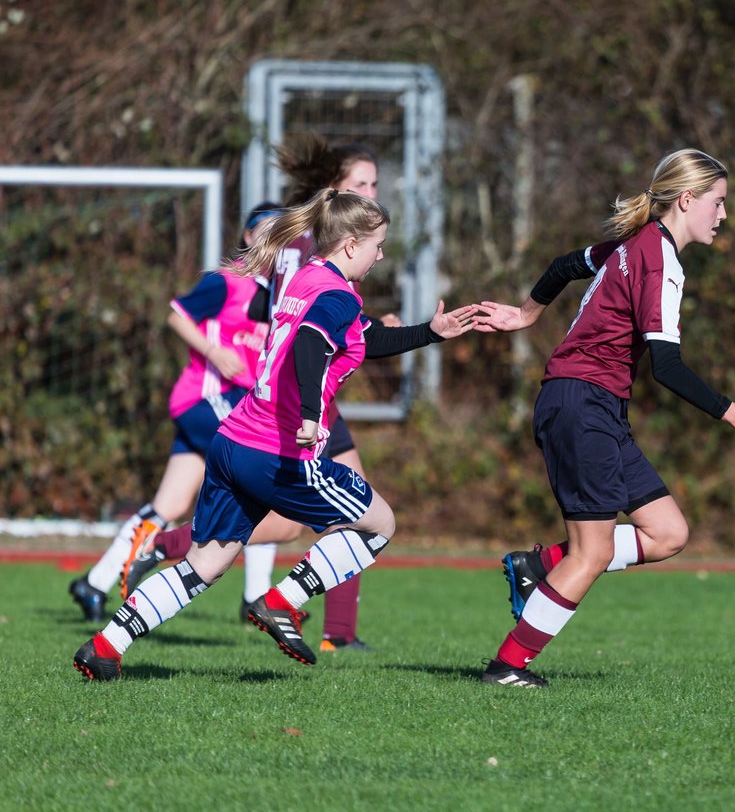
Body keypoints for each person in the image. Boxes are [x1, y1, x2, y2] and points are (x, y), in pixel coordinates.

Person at [73, 188, 478, 680]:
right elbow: (311, 343)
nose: (381, 254)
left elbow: (365, 338)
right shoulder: (335, 295)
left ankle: (105, 646)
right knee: (380, 524)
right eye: (379, 244)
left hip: (232, 440)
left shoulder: (306, 279)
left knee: (205, 564)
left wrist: (429, 332)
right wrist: (310, 415)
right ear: (351, 244)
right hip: (275, 449)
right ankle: (282, 601)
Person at [472, 148, 735, 687]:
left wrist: (528, 314)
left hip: (593, 404)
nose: (722, 215)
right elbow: (666, 366)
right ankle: (507, 667)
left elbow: (564, 266)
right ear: (687, 199)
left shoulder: (631, 244)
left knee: (667, 532)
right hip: (582, 404)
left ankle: (540, 564)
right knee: (593, 553)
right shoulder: (660, 259)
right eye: (717, 203)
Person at [124, 136, 385, 652]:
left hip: (299, 387)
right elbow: (304, 327)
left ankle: (326, 625)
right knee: (358, 512)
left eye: (374, 184)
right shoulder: (320, 242)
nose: (372, 191)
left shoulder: (303, 238)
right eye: (362, 183)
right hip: (303, 395)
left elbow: (277, 315)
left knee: (297, 525)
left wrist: (375, 331)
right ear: (337, 190)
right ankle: (325, 626)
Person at [68, 202, 285, 623]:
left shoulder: (279, 295)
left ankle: (94, 583)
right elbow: (177, 315)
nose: (274, 240)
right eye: (266, 230)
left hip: (230, 407)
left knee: (167, 504)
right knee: (263, 471)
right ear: (247, 236)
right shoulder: (228, 282)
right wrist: (214, 352)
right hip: (205, 400)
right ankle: (256, 599)